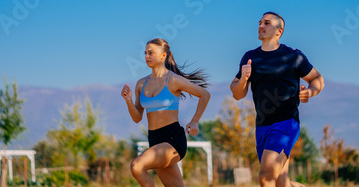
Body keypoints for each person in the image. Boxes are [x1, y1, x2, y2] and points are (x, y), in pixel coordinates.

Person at [230, 12, 324, 187]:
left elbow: (317, 79)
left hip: (285, 123)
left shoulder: (293, 57)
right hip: (262, 125)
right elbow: (237, 94)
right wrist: (243, 79)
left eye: (266, 23)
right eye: (259, 22)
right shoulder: (250, 57)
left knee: (266, 177)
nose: (261, 26)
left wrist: (310, 92)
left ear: (279, 31)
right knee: (281, 182)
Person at [121, 38, 211, 187]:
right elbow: (137, 118)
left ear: (163, 56)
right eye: (145, 53)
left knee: (137, 166)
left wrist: (195, 120)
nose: (146, 57)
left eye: (151, 53)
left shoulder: (173, 80)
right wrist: (129, 100)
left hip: (173, 139)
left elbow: (204, 94)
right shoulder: (141, 84)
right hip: (154, 139)